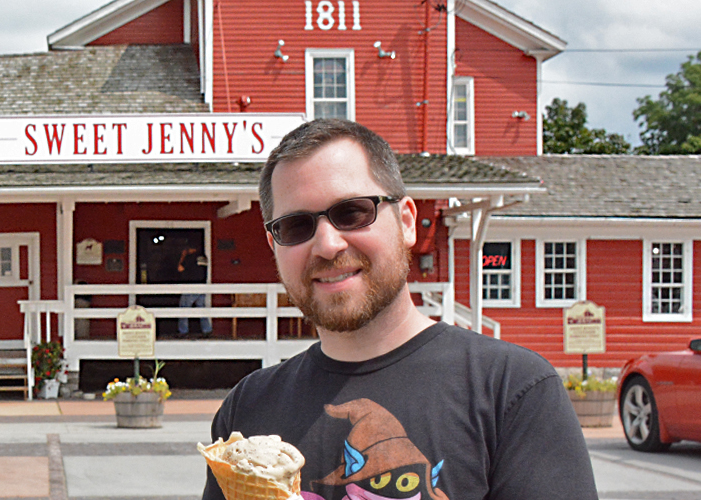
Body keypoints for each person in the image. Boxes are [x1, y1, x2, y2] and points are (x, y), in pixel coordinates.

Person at [203, 120, 597, 500]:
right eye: (294, 227)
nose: (327, 244)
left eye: (352, 212)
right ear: (275, 247)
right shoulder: (247, 409)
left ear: (407, 221)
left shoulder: (511, 390)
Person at [177, 247, 212, 338]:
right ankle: (206, 330)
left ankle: (183, 331)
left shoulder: (190, 258)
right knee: (201, 309)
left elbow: (180, 268)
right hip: (202, 286)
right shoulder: (203, 257)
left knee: (183, 308)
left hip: (191, 286)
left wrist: (183, 256)